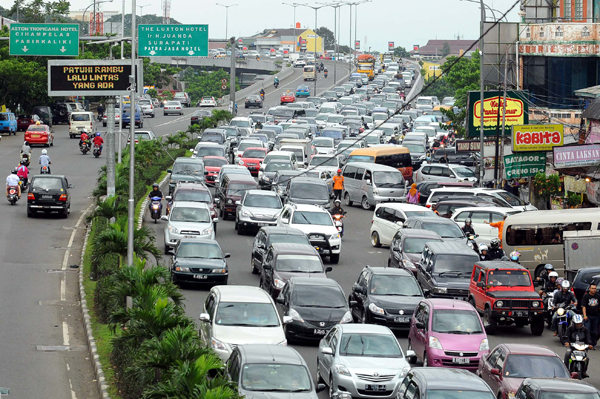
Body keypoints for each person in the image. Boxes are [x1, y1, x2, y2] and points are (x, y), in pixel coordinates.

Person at [582, 283, 600, 348]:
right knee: (587, 330)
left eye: (595, 288)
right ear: (589, 289)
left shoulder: (598, 296)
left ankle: (593, 344)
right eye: (592, 288)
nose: (594, 290)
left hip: (596, 316)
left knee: (594, 331)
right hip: (588, 316)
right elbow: (584, 306)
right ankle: (587, 343)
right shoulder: (586, 296)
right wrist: (584, 316)